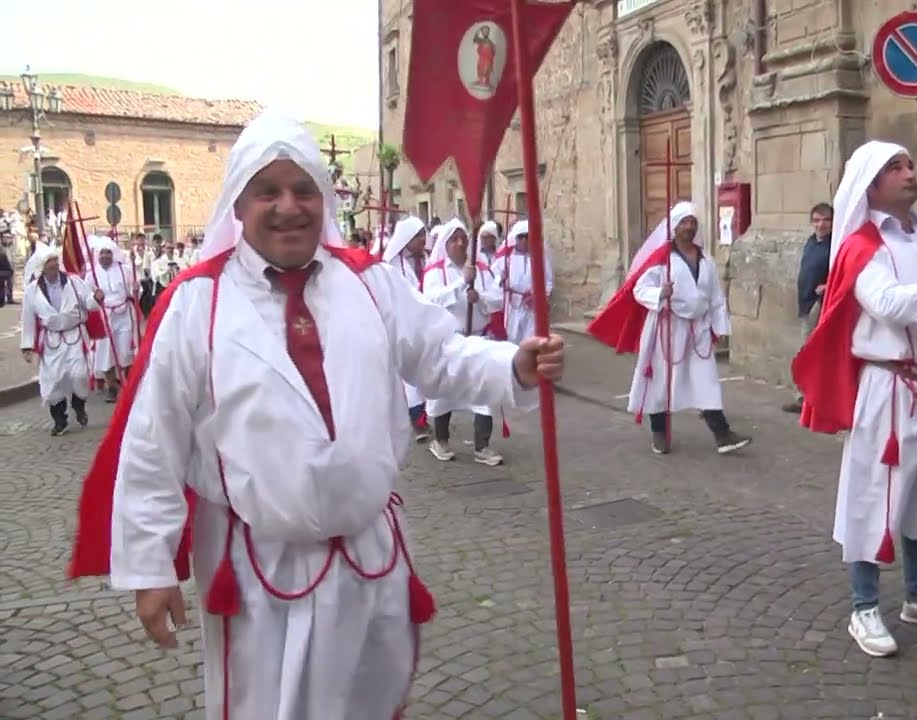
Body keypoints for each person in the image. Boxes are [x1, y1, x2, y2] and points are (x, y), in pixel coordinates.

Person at [65, 109, 565, 720]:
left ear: (323, 199)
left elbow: (439, 354)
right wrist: (149, 568)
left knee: (369, 703)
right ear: (239, 206)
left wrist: (513, 366)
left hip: (368, 555)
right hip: (257, 570)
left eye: (303, 189)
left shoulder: (370, 283)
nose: (288, 206)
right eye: (267, 191)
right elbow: (153, 441)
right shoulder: (200, 303)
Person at [791, 141, 917, 658]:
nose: (909, 173)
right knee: (874, 497)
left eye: (910, 164)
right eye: (895, 168)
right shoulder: (862, 247)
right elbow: (887, 304)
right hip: (890, 391)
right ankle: (864, 606)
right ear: (871, 184)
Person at [586, 202, 751, 455]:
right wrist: (660, 292)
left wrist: (719, 327)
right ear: (674, 226)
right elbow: (640, 290)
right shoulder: (662, 259)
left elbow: (716, 296)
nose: (689, 227)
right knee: (660, 380)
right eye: (684, 222)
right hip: (666, 328)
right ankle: (659, 432)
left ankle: (722, 434)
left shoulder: (706, 260)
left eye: (692, 222)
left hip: (698, 330)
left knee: (705, 381)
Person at [419, 218, 508, 465]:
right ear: (445, 244)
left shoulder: (482, 269)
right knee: (443, 394)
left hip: (477, 340)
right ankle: (441, 440)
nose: (460, 243)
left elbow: (497, 300)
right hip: (449, 343)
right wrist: (460, 285)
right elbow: (431, 301)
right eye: (454, 239)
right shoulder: (436, 271)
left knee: (484, 395)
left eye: (464, 239)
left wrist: (478, 298)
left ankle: (482, 446)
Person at [19, 244, 103, 435]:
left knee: (79, 375)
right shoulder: (32, 291)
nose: (54, 264)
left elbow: (88, 301)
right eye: (50, 262)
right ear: (42, 266)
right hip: (51, 341)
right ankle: (59, 419)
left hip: (74, 336)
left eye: (55, 260)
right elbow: (28, 319)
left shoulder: (73, 282)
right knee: (52, 381)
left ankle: (79, 404)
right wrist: (26, 346)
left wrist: (96, 298)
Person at [382, 215, 433, 442]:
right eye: (418, 235)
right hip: (404, 325)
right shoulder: (392, 265)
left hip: (426, 323)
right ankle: (416, 418)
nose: (423, 239)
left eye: (424, 234)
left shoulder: (429, 259)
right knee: (409, 375)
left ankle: (423, 414)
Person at [783, 202, 834, 413]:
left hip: (819, 304)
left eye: (826, 220)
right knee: (808, 351)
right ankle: (809, 397)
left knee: (807, 351)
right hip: (805, 303)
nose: (821, 225)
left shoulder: (835, 244)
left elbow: (846, 269)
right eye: (817, 220)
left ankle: (805, 398)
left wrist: (828, 284)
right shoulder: (812, 242)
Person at [84, 236, 141, 402]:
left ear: (113, 254)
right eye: (102, 253)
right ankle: (112, 387)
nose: (105, 256)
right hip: (104, 318)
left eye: (108, 252)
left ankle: (130, 386)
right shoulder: (91, 274)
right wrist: (95, 297)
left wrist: (136, 290)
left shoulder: (125, 270)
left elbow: (133, 291)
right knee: (106, 353)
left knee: (125, 352)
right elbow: (86, 299)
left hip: (124, 316)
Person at [497, 219, 553, 344]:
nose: (524, 240)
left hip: (532, 308)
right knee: (512, 341)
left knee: (532, 340)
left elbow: (548, 282)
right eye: (521, 237)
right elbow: (494, 282)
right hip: (513, 307)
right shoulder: (505, 260)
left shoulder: (540, 259)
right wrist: (502, 281)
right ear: (515, 238)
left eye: (528, 237)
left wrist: (538, 296)